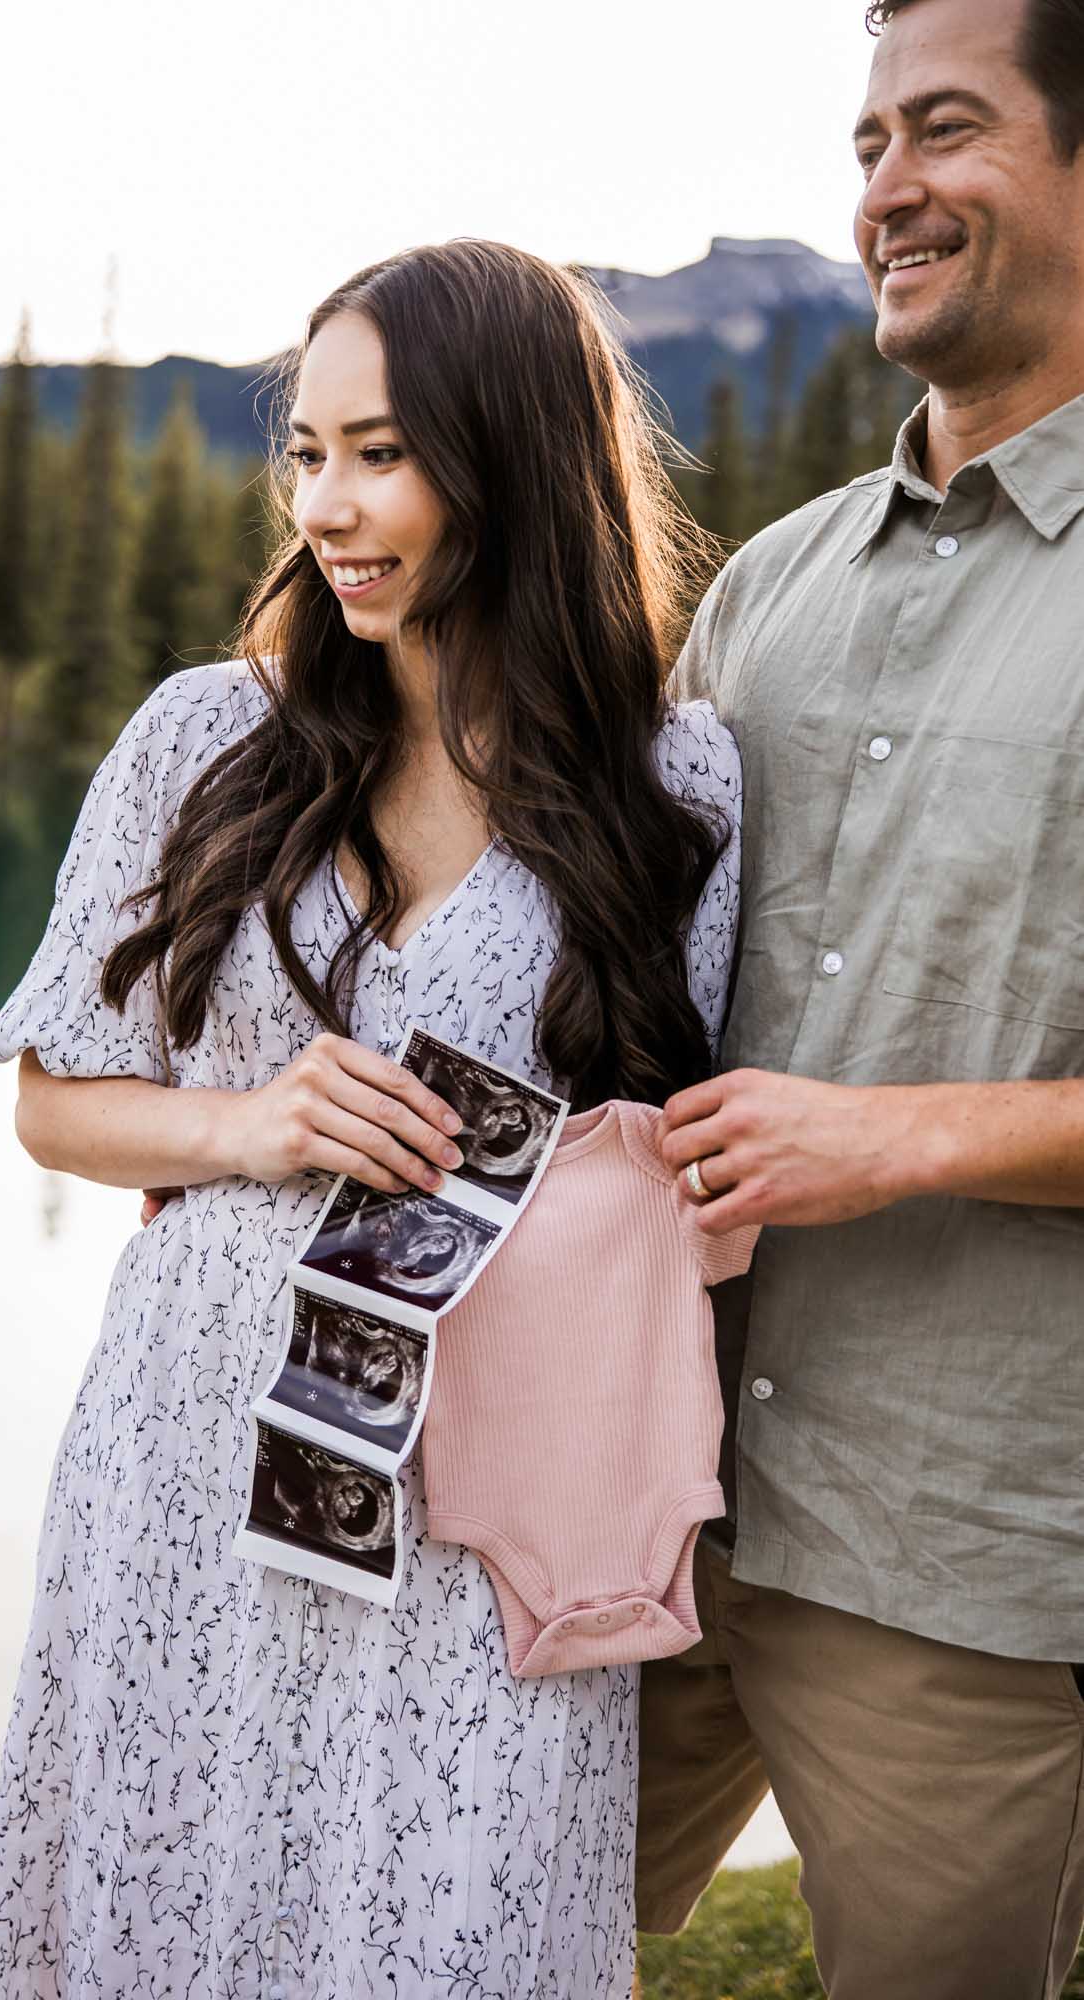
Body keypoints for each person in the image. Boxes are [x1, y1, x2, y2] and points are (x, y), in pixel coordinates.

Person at [0, 240, 743, 2000]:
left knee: (444, 1928)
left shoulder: (674, 784)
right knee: (165, 1908)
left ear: (515, 457)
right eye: (305, 451)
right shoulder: (203, 737)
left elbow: (670, 1168)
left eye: (380, 453)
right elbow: (55, 1104)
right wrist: (250, 1126)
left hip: (490, 1503)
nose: (324, 505)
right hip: (193, 1451)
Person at [637, 2, 1084, 1995]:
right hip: (636, 1494)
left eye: (945, 129)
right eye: (866, 141)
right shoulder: (765, 589)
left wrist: (894, 1135)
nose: (884, 190)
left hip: (960, 1552)